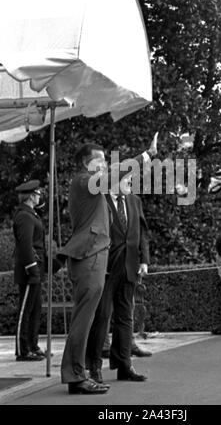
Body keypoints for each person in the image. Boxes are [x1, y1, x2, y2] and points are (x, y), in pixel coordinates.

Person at [58, 135, 158, 394]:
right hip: (90, 257)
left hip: (96, 257)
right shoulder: (84, 181)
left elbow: (116, 183)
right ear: (84, 163)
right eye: (99, 160)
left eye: (105, 160)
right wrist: (145, 156)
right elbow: (114, 175)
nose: (104, 164)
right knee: (85, 321)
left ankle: (79, 374)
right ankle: (76, 375)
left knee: (88, 319)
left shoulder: (94, 186)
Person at [86, 175, 150, 383]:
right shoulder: (98, 200)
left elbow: (142, 233)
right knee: (102, 317)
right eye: (128, 182)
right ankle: (94, 368)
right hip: (104, 269)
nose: (131, 186)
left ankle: (124, 366)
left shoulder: (134, 201)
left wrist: (144, 261)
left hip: (130, 267)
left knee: (125, 317)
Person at [13, 180, 47, 361]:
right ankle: (22, 350)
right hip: (29, 269)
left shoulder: (31, 214)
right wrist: (32, 267)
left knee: (35, 309)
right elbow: (25, 245)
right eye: (38, 193)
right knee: (25, 310)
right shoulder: (24, 216)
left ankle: (32, 345)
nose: (40, 196)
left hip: (36, 268)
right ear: (31, 196)